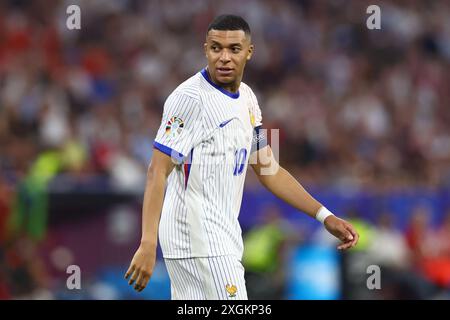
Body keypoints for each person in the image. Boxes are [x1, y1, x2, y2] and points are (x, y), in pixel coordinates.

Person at [124, 14, 359, 300]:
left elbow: (268, 168)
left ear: (249, 52)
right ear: (205, 49)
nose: (224, 57)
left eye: (234, 49)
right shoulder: (189, 99)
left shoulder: (248, 99)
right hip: (201, 240)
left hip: (215, 238)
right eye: (215, 48)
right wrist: (147, 243)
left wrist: (325, 216)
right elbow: (156, 171)